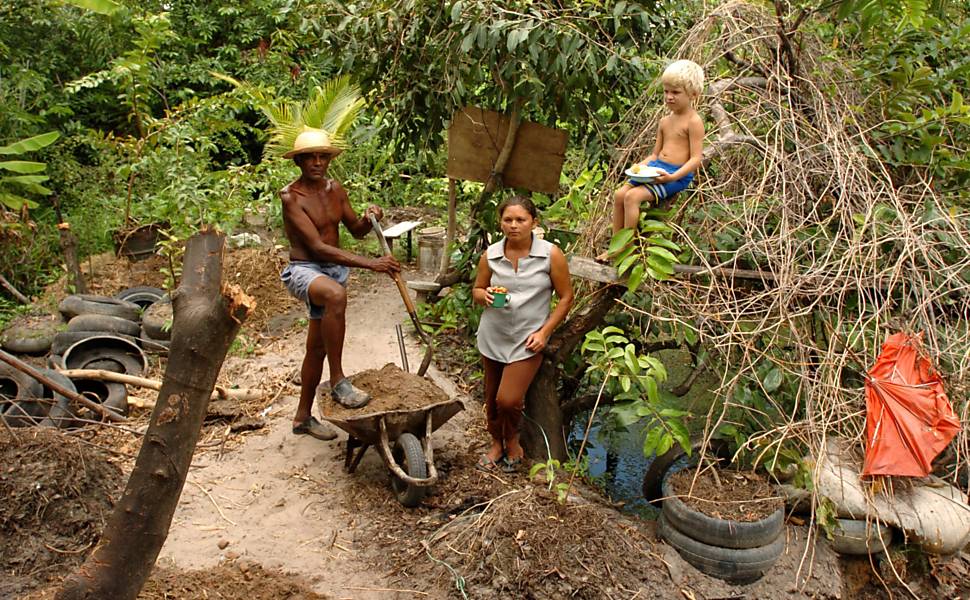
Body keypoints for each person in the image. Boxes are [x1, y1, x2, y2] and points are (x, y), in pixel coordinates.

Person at [279, 128, 401, 440]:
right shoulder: (291, 197)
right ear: (299, 162)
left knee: (317, 347)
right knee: (335, 296)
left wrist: (371, 215)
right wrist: (372, 264)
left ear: (329, 160)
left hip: (332, 269)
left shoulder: (335, 189)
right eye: (310, 157)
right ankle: (338, 381)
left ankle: (302, 418)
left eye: (323, 156)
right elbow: (317, 248)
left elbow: (357, 230)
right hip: (305, 270)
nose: (317, 162)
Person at [472, 196, 574, 472]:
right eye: (508, 220)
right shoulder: (491, 255)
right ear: (500, 222)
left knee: (509, 399)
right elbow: (477, 290)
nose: (514, 225)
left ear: (534, 223)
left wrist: (545, 332)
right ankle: (496, 443)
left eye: (521, 220)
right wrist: (486, 295)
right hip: (493, 334)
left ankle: (513, 440)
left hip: (528, 340)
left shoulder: (550, 254)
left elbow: (566, 297)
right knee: (492, 396)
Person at [598, 59, 705, 262]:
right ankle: (615, 245)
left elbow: (695, 158)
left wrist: (672, 176)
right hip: (657, 168)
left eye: (675, 92)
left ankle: (627, 249)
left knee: (632, 197)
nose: (669, 97)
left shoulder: (694, 122)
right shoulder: (665, 121)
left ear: (693, 94)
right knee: (620, 194)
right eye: (666, 92)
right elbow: (655, 155)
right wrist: (640, 166)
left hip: (675, 175)